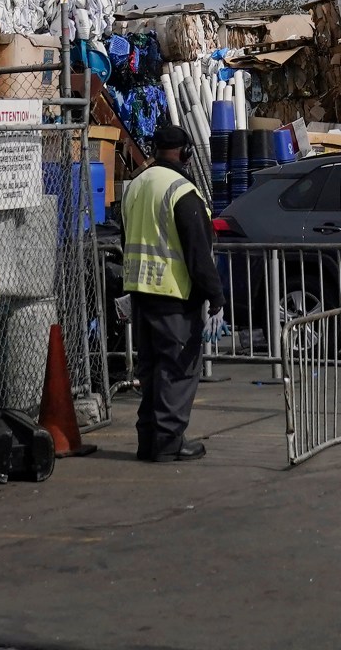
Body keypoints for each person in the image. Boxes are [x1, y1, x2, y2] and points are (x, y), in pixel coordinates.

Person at [120, 123, 225, 462]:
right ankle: (168, 441)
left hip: (140, 290)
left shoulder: (135, 186)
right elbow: (198, 253)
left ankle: (149, 440)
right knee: (177, 370)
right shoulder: (182, 191)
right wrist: (216, 296)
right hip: (174, 294)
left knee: (151, 369)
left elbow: (127, 239)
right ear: (186, 153)